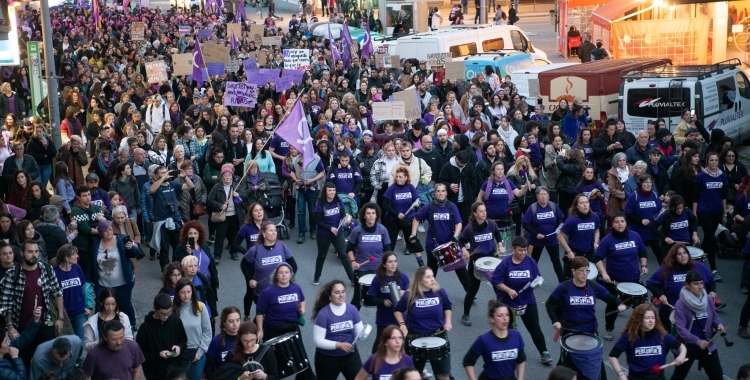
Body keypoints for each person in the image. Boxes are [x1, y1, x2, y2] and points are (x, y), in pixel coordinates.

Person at [545, 257, 626, 379]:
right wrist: (555, 321)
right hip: (569, 330)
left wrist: (620, 303)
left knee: (594, 360)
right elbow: (549, 304)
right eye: (581, 270)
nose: (584, 274)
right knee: (570, 362)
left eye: (587, 271)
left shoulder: (593, 287)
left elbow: (611, 298)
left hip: (590, 330)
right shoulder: (564, 287)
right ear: (573, 271)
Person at [0, 240, 65, 365]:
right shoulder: (12, 273)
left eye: (36, 251)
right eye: (30, 252)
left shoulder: (47, 269)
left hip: (45, 324)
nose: (34, 255)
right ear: (22, 253)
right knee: (23, 361)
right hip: (22, 328)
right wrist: (10, 326)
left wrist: (60, 318)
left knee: (45, 361)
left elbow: (58, 293)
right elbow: (5, 303)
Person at [594, 212, 649, 340]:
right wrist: (604, 273)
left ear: (626, 222)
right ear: (613, 224)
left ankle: (640, 329)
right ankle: (609, 329)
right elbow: (597, 258)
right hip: (615, 281)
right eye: (617, 222)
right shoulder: (607, 240)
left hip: (634, 279)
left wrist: (644, 266)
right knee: (613, 304)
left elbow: (642, 251)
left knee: (640, 307)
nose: (620, 224)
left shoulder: (635, 236)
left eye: (622, 221)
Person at [394, 267, 453, 380]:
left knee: (444, 375)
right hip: (415, 337)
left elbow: (448, 307)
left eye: (433, 276)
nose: (432, 279)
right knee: (413, 376)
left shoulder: (440, 292)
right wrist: (402, 325)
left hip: (438, 336)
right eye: (428, 277)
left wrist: (448, 321)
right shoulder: (409, 295)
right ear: (420, 280)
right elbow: (397, 310)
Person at [646, 244, 718, 334]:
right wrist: (660, 295)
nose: (683, 256)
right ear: (674, 257)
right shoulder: (666, 269)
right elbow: (650, 283)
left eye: (685, 253)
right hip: (672, 312)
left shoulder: (699, 267)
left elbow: (711, 281)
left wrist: (712, 291)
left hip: (697, 312)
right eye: (679, 254)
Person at [410, 182, 468, 289]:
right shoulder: (429, 207)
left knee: (461, 269)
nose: (440, 193)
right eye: (438, 191)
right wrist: (413, 234)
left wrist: (456, 235)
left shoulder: (452, 206)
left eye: (443, 191)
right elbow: (416, 219)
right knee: (431, 271)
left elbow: (458, 223)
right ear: (435, 193)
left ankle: (470, 292)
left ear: (446, 193)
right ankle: (428, 290)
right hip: (433, 245)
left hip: (450, 244)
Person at [671, 271, 727, 380]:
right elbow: (681, 330)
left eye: (701, 283)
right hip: (688, 347)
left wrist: (719, 325)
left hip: (707, 344)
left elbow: (714, 317)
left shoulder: (708, 299)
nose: (700, 287)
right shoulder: (680, 304)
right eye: (696, 284)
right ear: (687, 285)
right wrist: (697, 341)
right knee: (678, 376)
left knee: (717, 375)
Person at [608, 304, 687, 380]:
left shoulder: (662, 335)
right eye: (647, 318)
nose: (651, 321)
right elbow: (612, 356)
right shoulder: (628, 336)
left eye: (653, 318)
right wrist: (620, 374)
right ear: (638, 320)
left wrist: (682, 355)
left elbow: (681, 347)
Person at [458, 201, 505, 326]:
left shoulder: (491, 223)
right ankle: (465, 314)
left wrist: (500, 245)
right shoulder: (470, 227)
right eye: (481, 211)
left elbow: (498, 234)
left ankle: (504, 316)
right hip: (477, 262)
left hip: (492, 261)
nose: (484, 213)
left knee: (499, 289)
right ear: (475, 213)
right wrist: (464, 250)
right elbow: (461, 241)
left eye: (485, 210)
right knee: (472, 290)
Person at [241, 221, 299, 318]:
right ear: (263, 233)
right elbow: (244, 265)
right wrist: (250, 279)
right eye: (271, 230)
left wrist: (286, 281)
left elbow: (294, 266)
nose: (274, 233)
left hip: (281, 292)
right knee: (264, 320)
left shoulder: (282, 247)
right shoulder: (255, 250)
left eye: (275, 230)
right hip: (262, 293)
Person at [92, 220, 142, 330]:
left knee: (125, 304)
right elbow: (92, 263)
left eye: (110, 229)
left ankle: (132, 325)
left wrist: (132, 248)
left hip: (122, 282)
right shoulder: (95, 243)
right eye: (105, 230)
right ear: (100, 233)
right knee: (100, 305)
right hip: (103, 283)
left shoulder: (122, 239)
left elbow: (137, 254)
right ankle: (99, 327)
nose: (109, 232)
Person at [312, 280, 365, 380]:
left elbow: (360, 335)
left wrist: (364, 332)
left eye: (343, 292)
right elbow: (318, 341)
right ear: (329, 296)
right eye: (337, 293)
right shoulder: (323, 314)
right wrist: (339, 345)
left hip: (350, 356)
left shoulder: (352, 309)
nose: (341, 295)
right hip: (327, 359)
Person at [463, 300, 527, 380]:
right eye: (500, 316)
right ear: (491, 319)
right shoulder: (484, 340)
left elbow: (521, 360)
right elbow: (468, 362)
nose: (505, 319)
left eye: (507, 315)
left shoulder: (516, 336)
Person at [347, 202, 392, 308]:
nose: (371, 215)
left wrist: (388, 267)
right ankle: (351, 320)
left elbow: (388, 251)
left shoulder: (382, 230)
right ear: (364, 215)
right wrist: (353, 262)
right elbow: (349, 249)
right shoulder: (357, 231)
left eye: (373, 213)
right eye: (368, 213)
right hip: (362, 269)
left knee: (384, 298)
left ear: (377, 215)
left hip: (380, 270)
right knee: (358, 299)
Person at [150, 165, 195, 270]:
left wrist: (184, 177)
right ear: (156, 176)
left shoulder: (173, 185)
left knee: (178, 246)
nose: (166, 174)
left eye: (167, 172)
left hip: (175, 220)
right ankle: (165, 270)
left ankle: (177, 268)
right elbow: (152, 190)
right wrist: (162, 178)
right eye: (162, 172)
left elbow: (190, 186)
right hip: (161, 221)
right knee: (164, 249)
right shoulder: (156, 186)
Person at [136, 293, 188, 380]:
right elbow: (140, 354)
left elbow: (183, 340)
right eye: (162, 314)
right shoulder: (145, 328)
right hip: (154, 375)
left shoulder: (175, 321)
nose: (166, 316)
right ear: (154, 309)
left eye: (169, 312)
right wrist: (158, 355)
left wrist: (179, 347)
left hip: (174, 373)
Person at [693, 151, 728, 281]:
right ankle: (713, 270)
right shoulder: (701, 176)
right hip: (704, 210)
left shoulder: (722, 176)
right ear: (707, 161)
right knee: (711, 238)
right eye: (711, 160)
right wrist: (695, 213)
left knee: (709, 238)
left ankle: (696, 261)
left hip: (717, 211)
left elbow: (724, 196)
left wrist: (724, 213)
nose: (714, 162)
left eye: (716, 160)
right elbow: (695, 195)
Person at [313, 182, 355, 285]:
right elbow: (317, 221)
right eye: (329, 190)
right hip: (324, 235)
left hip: (338, 234)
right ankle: (316, 277)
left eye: (334, 190)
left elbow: (342, 216)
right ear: (325, 191)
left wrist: (346, 220)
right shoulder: (320, 204)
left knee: (344, 255)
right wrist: (330, 228)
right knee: (322, 256)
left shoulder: (338, 201)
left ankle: (353, 279)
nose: (332, 192)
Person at [210, 321, 280, 380]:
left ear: (257, 336)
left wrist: (265, 376)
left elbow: (275, 377)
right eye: (245, 341)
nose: (249, 344)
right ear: (240, 339)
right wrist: (240, 378)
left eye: (252, 340)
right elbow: (226, 377)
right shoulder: (232, 354)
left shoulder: (267, 351)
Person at [173, 278, 213, 380]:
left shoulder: (200, 307)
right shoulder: (173, 309)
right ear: (177, 293)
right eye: (182, 292)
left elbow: (207, 332)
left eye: (188, 292)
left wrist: (199, 352)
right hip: (179, 354)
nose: (186, 295)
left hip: (196, 354)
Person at [524, 187, 565, 282]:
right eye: (541, 194)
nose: (543, 196)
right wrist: (536, 234)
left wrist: (560, 226)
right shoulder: (532, 208)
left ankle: (562, 282)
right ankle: (530, 280)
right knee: (534, 261)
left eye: (545, 194)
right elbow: (525, 224)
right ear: (537, 197)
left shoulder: (553, 206)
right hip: (536, 240)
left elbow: (561, 218)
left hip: (552, 239)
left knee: (556, 261)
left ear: (548, 196)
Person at [624, 174, 666, 264]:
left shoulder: (654, 194)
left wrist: (663, 209)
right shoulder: (634, 196)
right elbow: (627, 213)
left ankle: (665, 274)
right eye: (646, 182)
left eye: (650, 182)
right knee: (635, 256)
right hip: (637, 231)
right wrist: (640, 221)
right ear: (640, 184)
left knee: (661, 254)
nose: (648, 184)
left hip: (652, 231)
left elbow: (659, 209)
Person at [53, 244, 88, 341]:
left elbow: (84, 287)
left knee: (80, 340)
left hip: (79, 312)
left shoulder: (77, 268)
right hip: (64, 314)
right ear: (67, 258)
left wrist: (88, 306)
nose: (77, 256)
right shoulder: (55, 273)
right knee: (67, 342)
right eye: (74, 254)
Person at [291, 148, 326, 244]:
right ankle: (301, 233)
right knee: (301, 211)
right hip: (301, 189)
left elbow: (322, 173)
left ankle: (313, 230)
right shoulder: (296, 159)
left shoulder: (316, 159)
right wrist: (295, 180)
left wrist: (313, 180)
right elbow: (292, 171)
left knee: (312, 211)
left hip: (312, 189)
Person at [383, 166, 420, 254]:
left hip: (407, 218)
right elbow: (385, 205)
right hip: (393, 219)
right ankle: (386, 264)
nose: (398, 179)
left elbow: (416, 201)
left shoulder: (410, 187)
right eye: (397, 177)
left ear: (406, 178)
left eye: (400, 177)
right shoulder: (392, 188)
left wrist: (417, 214)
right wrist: (397, 213)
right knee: (390, 244)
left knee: (413, 242)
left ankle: (421, 264)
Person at [439, 150, 480, 225]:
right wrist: (449, 186)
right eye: (462, 163)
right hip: (452, 200)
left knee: (466, 222)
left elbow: (474, 181)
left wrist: (471, 195)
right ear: (457, 159)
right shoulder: (447, 167)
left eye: (465, 163)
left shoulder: (469, 166)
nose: (463, 165)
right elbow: (441, 181)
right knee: (452, 222)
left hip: (466, 201)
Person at [205, 306, 241, 377]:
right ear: (224, 323)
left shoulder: (245, 339)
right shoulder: (216, 341)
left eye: (237, 320)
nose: (235, 324)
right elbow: (210, 367)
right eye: (231, 321)